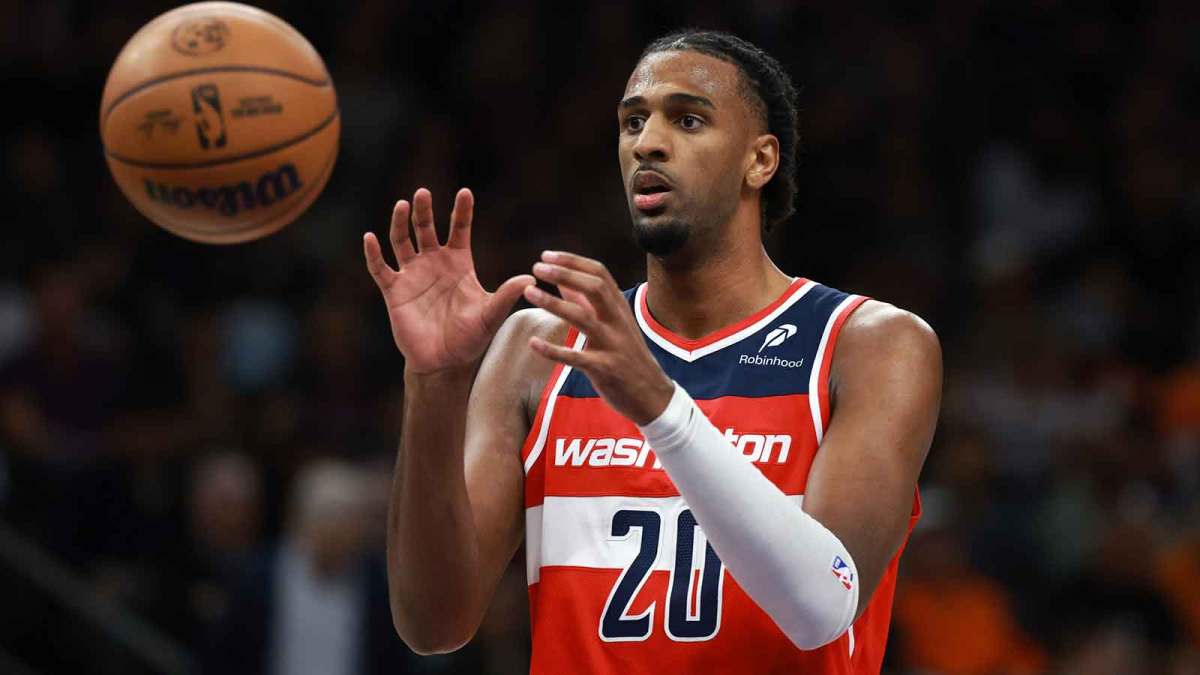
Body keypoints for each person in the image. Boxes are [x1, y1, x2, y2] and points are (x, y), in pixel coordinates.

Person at [364, 29, 941, 674]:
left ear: (760, 161)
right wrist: (435, 383)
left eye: (688, 119)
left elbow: (820, 609)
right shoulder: (543, 350)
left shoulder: (868, 346)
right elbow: (431, 623)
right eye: (632, 122)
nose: (648, 142)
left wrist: (663, 410)